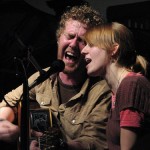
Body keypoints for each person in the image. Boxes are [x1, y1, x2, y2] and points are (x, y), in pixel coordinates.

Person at [0, 5, 111, 150]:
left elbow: (93, 142)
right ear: (59, 39)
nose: (73, 44)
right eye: (70, 36)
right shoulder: (44, 76)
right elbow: (9, 102)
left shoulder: (102, 91)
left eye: (82, 40)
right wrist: (6, 124)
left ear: (92, 48)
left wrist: (57, 146)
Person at [81, 22, 150, 150]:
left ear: (113, 49)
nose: (83, 50)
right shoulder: (119, 89)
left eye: (91, 44)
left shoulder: (131, 85)